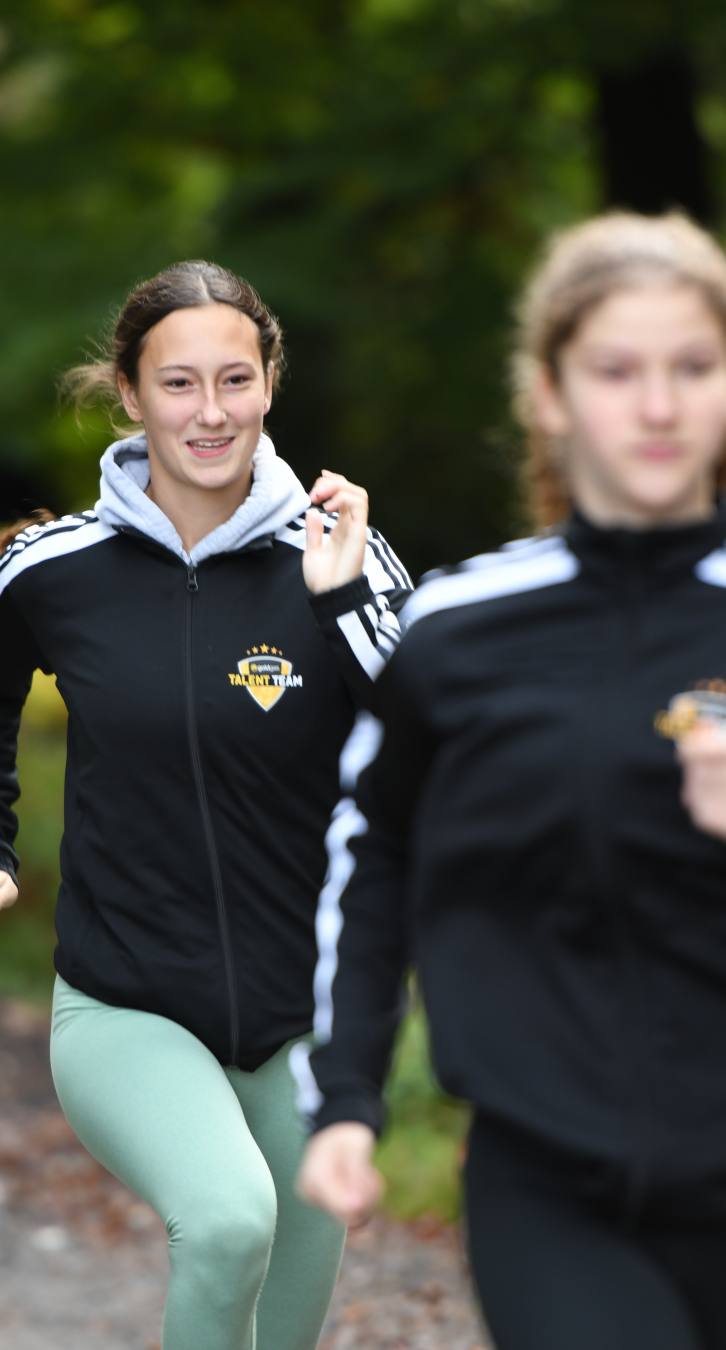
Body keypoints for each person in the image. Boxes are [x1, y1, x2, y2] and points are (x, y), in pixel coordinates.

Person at [0, 260, 411, 1350]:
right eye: (180, 383)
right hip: (126, 999)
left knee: (284, 1316)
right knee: (230, 1222)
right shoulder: (59, 571)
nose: (210, 412)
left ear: (271, 385)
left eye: (235, 380)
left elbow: (437, 731)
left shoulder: (341, 557)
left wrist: (344, 602)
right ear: (132, 392)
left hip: (304, 1017)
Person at [295, 212, 726, 1350]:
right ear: (548, 392)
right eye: (617, 371)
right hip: (550, 1181)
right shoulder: (457, 629)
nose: (658, 406)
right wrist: (345, 1097)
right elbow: (373, 852)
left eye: (694, 367)